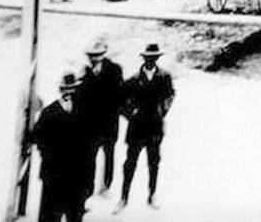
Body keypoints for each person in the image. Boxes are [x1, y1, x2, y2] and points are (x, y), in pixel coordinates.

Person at [116, 43, 174, 212]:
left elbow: (170, 95)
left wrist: (162, 110)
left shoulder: (164, 77)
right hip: (137, 128)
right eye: (148, 58)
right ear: (143, 58)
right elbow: (119, 101)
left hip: (154, 127)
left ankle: (152, 195)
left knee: (153, 163)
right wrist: (130, 113)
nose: (151, 61)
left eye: (154, 58)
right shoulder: (133, 80)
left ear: (157, 59)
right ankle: (123, 198)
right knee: (130, 164)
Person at [31, 72, 89, 222]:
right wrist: (48, 156)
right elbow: (38, 137)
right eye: (66, 89)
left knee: (74, 215)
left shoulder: (84, 113)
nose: (69, 93)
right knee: (50, 216)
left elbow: (89, 145)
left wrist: (87, 178)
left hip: (76, 175)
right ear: (61, 90)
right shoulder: (49, 112)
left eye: (73, 89)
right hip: (54, 174)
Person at [77, 40, 124, 198]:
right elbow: (81, 97)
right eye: (91, 56)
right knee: (89, 157)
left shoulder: (115, 70)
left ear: (103, 55)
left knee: (109, 155)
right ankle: (88, 188)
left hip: (109, 122)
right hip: (91, 124)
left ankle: (106, 186)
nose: (94, 58)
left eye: (97, 55)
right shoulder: (85, 72)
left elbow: (118, 95)